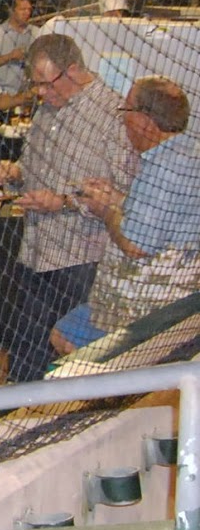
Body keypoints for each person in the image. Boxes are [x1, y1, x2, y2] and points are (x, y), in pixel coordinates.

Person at [0, 34, 136, 382]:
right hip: (37, 250)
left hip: (83, 257)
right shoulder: (47, 110)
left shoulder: (113, 115)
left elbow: (122, 192)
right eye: (35, 84)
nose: (39, 92)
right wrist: (16, 174)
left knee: (76, 361)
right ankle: (16, 417)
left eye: (45, 83)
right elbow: (33, 165)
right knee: (27, 353)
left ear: (73, 70)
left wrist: (64, 201)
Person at [54, 77, 200, 351]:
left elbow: (135, 245)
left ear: (145, 121)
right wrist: (115, 197)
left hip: (147, 308)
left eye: (127, 110)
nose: (123, 119)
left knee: (64, 337)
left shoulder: (163, 169)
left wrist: (104, 209)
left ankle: (110, 392)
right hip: (179, 300)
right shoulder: (188, 154)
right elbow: (162, 215)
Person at [0, 0, 39, 98]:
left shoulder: (36, 33)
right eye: (22, 9)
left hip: (25, 95)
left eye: (29, 9)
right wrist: (9, 56)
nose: (27, 13)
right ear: (12, 11)